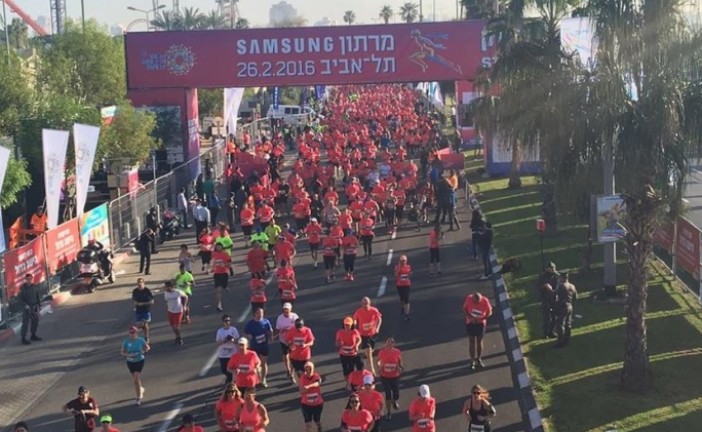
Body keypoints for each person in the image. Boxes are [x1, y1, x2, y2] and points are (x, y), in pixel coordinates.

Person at [352, 297, 383, 375]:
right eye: (363, 304)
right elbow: (354, 319)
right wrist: (355, 326)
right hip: (363, 334)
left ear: (369, 304)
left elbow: (379, 318)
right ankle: (371, 369)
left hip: (372, 333)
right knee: (368, 350)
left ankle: (368, 359)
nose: (364, 305)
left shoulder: (374, 310)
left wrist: (377, 327)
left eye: (366, 304)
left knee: (370, 350)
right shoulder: (359, 311)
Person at [244, 307, 274, 387]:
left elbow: (270, 330)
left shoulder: (266, 322)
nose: (260, 315)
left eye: (262, 313)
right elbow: (245, 333)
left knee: (263, 363)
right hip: (254, 346)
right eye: (259, 313)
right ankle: (257, 377)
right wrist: (248, 336)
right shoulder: (250, 324)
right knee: (255, 364)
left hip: (264, 345)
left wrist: (271, 336)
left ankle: (263, 379)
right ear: (255, 314)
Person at [120, 326, 149, 405]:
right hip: (130, 361)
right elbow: (122, 352)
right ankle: (140, 388)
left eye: (133, 332)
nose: (131, 334)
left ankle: (138, 397)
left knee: (136, 379)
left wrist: (143, 351)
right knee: (135, 380)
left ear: (136, 333)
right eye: (130, 333)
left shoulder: (140, 340)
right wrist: (128, 355)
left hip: (139, 360)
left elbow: (147, 347)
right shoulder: (126, 341)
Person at [463, 292, 493, 370]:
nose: (476, 303)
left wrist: (482, 319)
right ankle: (472, 360)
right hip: (470, 323)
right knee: (471, 341)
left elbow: (490, 312)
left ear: (480, 299)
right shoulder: (469, 298)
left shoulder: (485, 300)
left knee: (479, 341)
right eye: (474, 301)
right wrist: (470, 317)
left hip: (480, 324)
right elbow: (464, 308)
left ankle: (479, 359)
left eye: (478, 302)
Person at [377, 337, 403, 419]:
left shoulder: (397, 352)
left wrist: (400, 368)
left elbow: (400, 363)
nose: (389, 344)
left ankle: (394, 401)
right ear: (386, 343)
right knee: (388, 394)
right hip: (385, 376)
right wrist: (379, 366)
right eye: (388, 342)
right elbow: (378, 361)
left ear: (393, 343)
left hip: (394, 376)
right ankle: (388, 412)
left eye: (391, 342)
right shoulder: (382, 352)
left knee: (396, 394)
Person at [275, 302, 300, 382]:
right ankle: (288, 369)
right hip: (283, 340)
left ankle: (291, 373)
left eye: (287, 309)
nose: (286, 311)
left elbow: (298, 327)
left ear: (290, 310)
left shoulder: (294, 316)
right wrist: (281, 330)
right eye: (285, 309)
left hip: (292, 340)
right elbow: (277, 329)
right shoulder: (280, 318)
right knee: (286, 356)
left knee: (292, 356)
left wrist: (290, 329)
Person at [554, 272, 578, 348]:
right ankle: (567, 340)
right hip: (570, 306)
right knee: (568, 324)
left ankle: (560, 342)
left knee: (560, 324)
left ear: (562, 278)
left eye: (559, 278)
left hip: (563, 306)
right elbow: (575, 297)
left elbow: (555, 294)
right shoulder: (572, 286)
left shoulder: (561, 286)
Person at [299, 361, 324, 432]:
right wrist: (308, 389)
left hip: (317, 404)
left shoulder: (316, 376)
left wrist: (309, 387)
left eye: (310, 369)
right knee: (308, 424)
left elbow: (317, 383)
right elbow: (302, 390)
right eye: (306, 369)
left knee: (316, 420)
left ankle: (319, 425)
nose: (308, 371)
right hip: (306, 405)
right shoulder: (302, 378)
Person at [536, 262, 559, 339]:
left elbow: (558, 288)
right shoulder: (542, 277)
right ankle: (545, 334)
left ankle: (551, 332)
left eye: (553, 268)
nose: (552, 270)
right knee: (546, 318)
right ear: (547, 269)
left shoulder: (557, 276)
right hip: (545, 299)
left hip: (554, 299)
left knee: (554, 318)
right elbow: (537, 287)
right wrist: (544, 286)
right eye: (551, 268)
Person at [336, 316, 363, 382]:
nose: (347, 326)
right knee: (345, 369)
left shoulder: (354, 332)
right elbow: (337, 343)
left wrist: (357, 345)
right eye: (345, 325)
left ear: (351, 325)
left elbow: (359, 339)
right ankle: (347, 383)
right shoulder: (340, 332)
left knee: (351, 369)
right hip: (343, 354)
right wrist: (340, 343)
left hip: (352, 354)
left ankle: (351, 382)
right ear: (343, 324)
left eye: (348, 325)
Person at [18, 273, 42, 345]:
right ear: (25, 279)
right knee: (25, 323)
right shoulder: (22, 288)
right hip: (27, 308)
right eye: (28, 279)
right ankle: (23, 338)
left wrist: (39, 305)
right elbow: (20, 299)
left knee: (35, 321)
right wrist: (25, 305)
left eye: (30, 279)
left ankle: (33, 335)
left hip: (34, 306)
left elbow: (37, 296)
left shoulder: (34, 286)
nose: (29, 280)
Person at [216, 314, 240, 384]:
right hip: (223, 354)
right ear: (223, 322)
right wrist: (224, 340)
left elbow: (238, 340)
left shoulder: (234, 329)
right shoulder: (220, 331)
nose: (227, 322)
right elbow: (217, 342)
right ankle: (229, 377)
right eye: (226, 321)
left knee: (232, 368)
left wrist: (233, 340)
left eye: (229, 321)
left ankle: (230, 381)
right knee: (224, 370)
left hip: (233, 353)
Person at [164, 280, 188, 345]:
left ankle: (179, 338)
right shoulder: (166, 293)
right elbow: (166, 301)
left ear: (171, 287)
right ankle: (177, 337)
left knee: (175, 326)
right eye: (165, 287)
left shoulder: (178, 292)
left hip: (178, 311)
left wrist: (184, 306)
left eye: (167, 287)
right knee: (172, 326)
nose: (166, 288)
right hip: (170, 311)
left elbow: (185, 297)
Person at [212, 243, 234, 312]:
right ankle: (219, 305)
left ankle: (226, 287)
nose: (218, 248)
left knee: (224, 287)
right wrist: (211, 267)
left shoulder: (225, 254)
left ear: (222, 247)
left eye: (219, 247)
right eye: (217, 247)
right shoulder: (214, 254)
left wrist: (224, 265)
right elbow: (212, 262)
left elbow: (230, 263)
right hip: (217, 274)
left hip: (224, 273)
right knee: (218, 290)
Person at [132, 278, 154, 343]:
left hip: (146, 310)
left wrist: (143, 304)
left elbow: (152, 301)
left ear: (144, 283)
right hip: (138, 310)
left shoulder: (147, 291)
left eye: (141, 282)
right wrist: (136, 303)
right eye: (138, 282)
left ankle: (146, 337)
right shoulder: (135, 291)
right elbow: (134, 299)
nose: (139, 284)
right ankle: (139, 337)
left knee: (144, 324)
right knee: (139, 325)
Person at [394, 255, 413, 320]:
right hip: (399, 285)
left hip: (407, 284)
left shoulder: (408, 267)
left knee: (406, 299)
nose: (403, 262)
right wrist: (400, 267)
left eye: (404, 261)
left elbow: (409, 273)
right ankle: (403, 307)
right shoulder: (397, 267)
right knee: (402, 298)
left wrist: (408, 274)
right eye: (402, 261)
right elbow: (396, 275)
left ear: (406, 261)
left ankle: (407, 314)